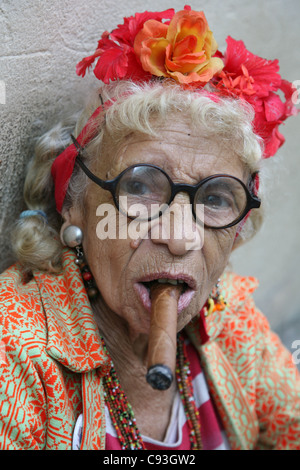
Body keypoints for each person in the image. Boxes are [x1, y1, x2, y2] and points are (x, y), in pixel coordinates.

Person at [0, 7, 299, 451]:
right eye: (140, 187)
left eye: (216, 199)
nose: (180, 237)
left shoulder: (231, 318)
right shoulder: (14, 350)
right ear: (74, 204)